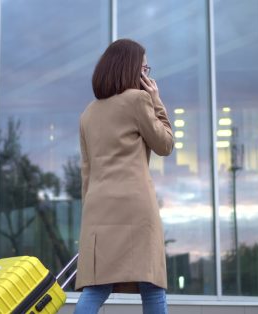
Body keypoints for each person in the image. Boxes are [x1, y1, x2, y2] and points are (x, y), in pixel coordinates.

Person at [74, 38, 174, 314]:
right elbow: (165, 144)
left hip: (98, 208)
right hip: (135, 206)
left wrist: (89, 216)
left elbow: (87, 171)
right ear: (132, 70)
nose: (147, 76)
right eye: (144, 70)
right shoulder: (139, 100)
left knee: (97, 286)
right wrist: (157, 100)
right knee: (152, 286)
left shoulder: (87, 114)